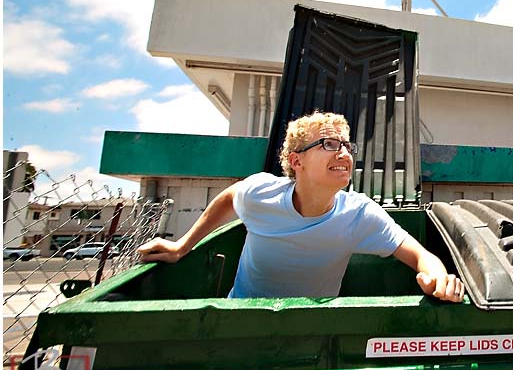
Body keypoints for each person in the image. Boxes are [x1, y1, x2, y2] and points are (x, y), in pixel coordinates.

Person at [137, 111, 465, 302]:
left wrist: (438, 278)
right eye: (329, 144)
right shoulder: (260, 193)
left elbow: (420, 254)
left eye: (346, 146)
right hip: (241, 323)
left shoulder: (359, 213)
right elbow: (227, 199)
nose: (344, 154)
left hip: (311, 333)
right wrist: (182, 246)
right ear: (297, 161)